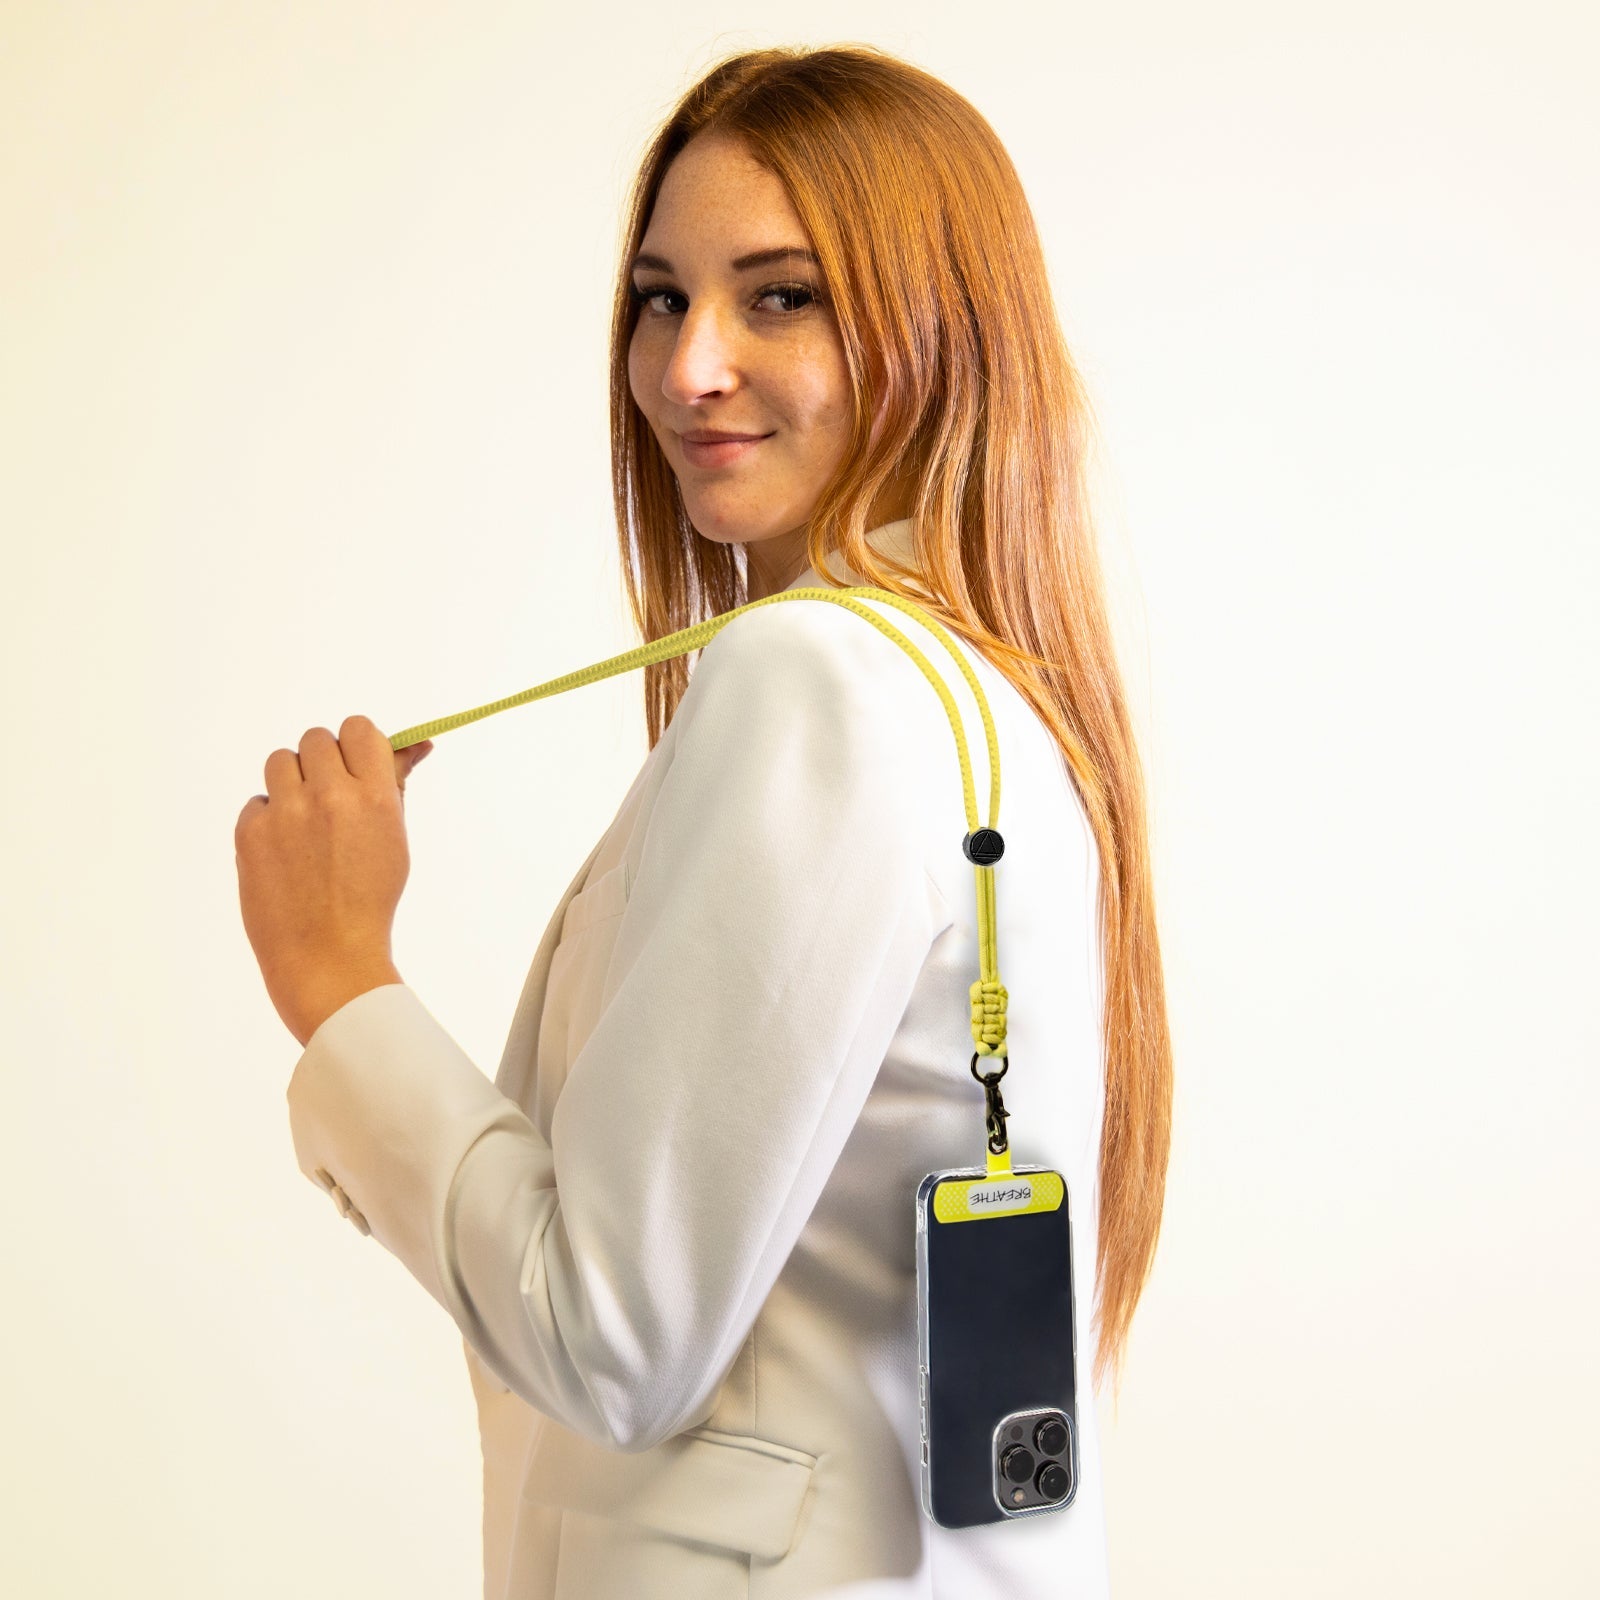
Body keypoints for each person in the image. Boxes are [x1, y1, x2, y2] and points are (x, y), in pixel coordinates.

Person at [251, 41, 1173, 1600]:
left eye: (781, 296)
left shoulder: (823, 677)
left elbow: (608, 1339)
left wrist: (337, 981)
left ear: (942, 325)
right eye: (662, 298)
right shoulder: (979, 693)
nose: (688, 369)